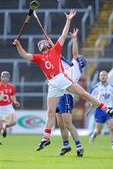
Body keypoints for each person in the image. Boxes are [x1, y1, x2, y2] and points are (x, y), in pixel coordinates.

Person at [13, 9, 113, 152]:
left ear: (47, 45)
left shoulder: (55, 50)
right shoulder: (39, 58)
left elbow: (63, 35)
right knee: (50, 112)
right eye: (40, 44)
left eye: (43, 43)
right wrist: (18, 45)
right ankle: (45, 138)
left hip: (62, 78)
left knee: (84, 94)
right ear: (40, 48)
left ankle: (106, 109)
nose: (42, 44)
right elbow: (24, 55)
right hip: (52, 84)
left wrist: (68, 20)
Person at [56, 28, 86, 157]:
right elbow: (73, 54)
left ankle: (79, 147)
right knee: (60, 124)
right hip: (58, 94)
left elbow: (74, 54)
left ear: (80, 62)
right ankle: (66, 145)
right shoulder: (72, 66)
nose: (76, 57)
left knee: (68, 124)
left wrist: (74, 39)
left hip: (66, 95)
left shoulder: (76, 69)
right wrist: (74, 38)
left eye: (78, 58)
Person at [89, 70, 113, 149]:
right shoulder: (96, 88)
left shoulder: (111, 87)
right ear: (99, 77)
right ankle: (94, 134)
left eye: (104, 75)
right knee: (98, 130)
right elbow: (90, 98)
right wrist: (91, 103)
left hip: (109, 110)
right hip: (100, 110)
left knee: (111, 127)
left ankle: (112, 144)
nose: (103, 77)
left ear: (107, 77)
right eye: (101, 75)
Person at [0, 71, 20, 143]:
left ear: (9, 78)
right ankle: (3, 127)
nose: (5, 78)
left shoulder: (11, 86)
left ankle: (5, 125)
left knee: (14, 121)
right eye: (3, 77)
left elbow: (12, 96)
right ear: (1, 77)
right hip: (0, 107)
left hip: (8, 106)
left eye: (6, 77)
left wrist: (15, 102)